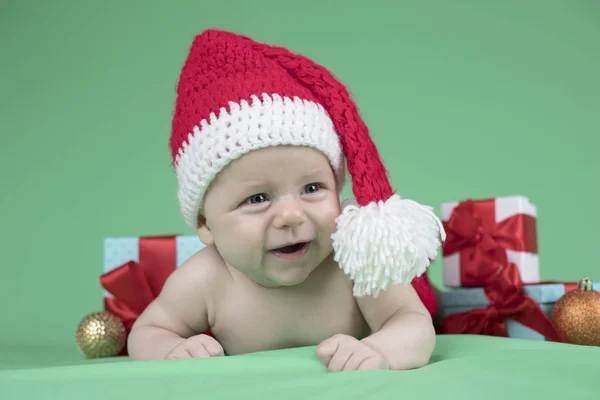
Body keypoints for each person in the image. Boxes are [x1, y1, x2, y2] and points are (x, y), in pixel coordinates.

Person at [127, 29, 446, 372]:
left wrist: (381, 351)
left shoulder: (354, 263)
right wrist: (173, 348)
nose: (291, 215)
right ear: (205, 223)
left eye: (312, 188)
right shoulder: (207, 278)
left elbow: (412, 322)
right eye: (258, 198)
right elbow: (148, 332)